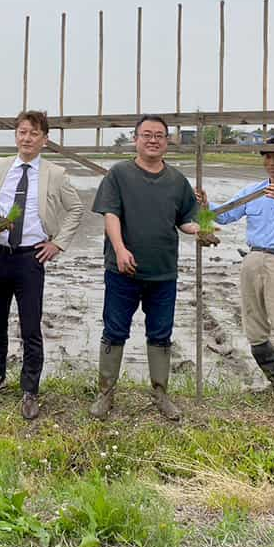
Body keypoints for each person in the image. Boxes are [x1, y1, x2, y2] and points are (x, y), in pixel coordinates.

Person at [0, 110, 84, 420]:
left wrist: (57, 243)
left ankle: (30, 390)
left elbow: (76, 209)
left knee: (30, 326)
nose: (27, 138)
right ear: (16, 136)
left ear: (44, 140)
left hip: (30, 258)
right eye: (22, 132)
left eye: (34, 133)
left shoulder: (55, 174)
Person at [197, 136, 274, 417]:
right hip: (252, 260)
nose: (272, 163)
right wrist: (206, 204)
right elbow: (225, 216)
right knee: (254, 327)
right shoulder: (253, 191)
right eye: (267, 157)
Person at [88, 115, 199, 422]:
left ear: (167, 141)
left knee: (161, 333)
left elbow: (187, 219)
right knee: (114, 331)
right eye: (147, 135)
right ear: (135, 139)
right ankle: (105, 393)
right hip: (123, 270)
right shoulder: (119, 174)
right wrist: (121, 250)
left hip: (163, 273)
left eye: (159, 136)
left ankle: (160, 393)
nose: (153, 140)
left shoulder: (177, 181)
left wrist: (201, 229)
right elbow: (111, 215)